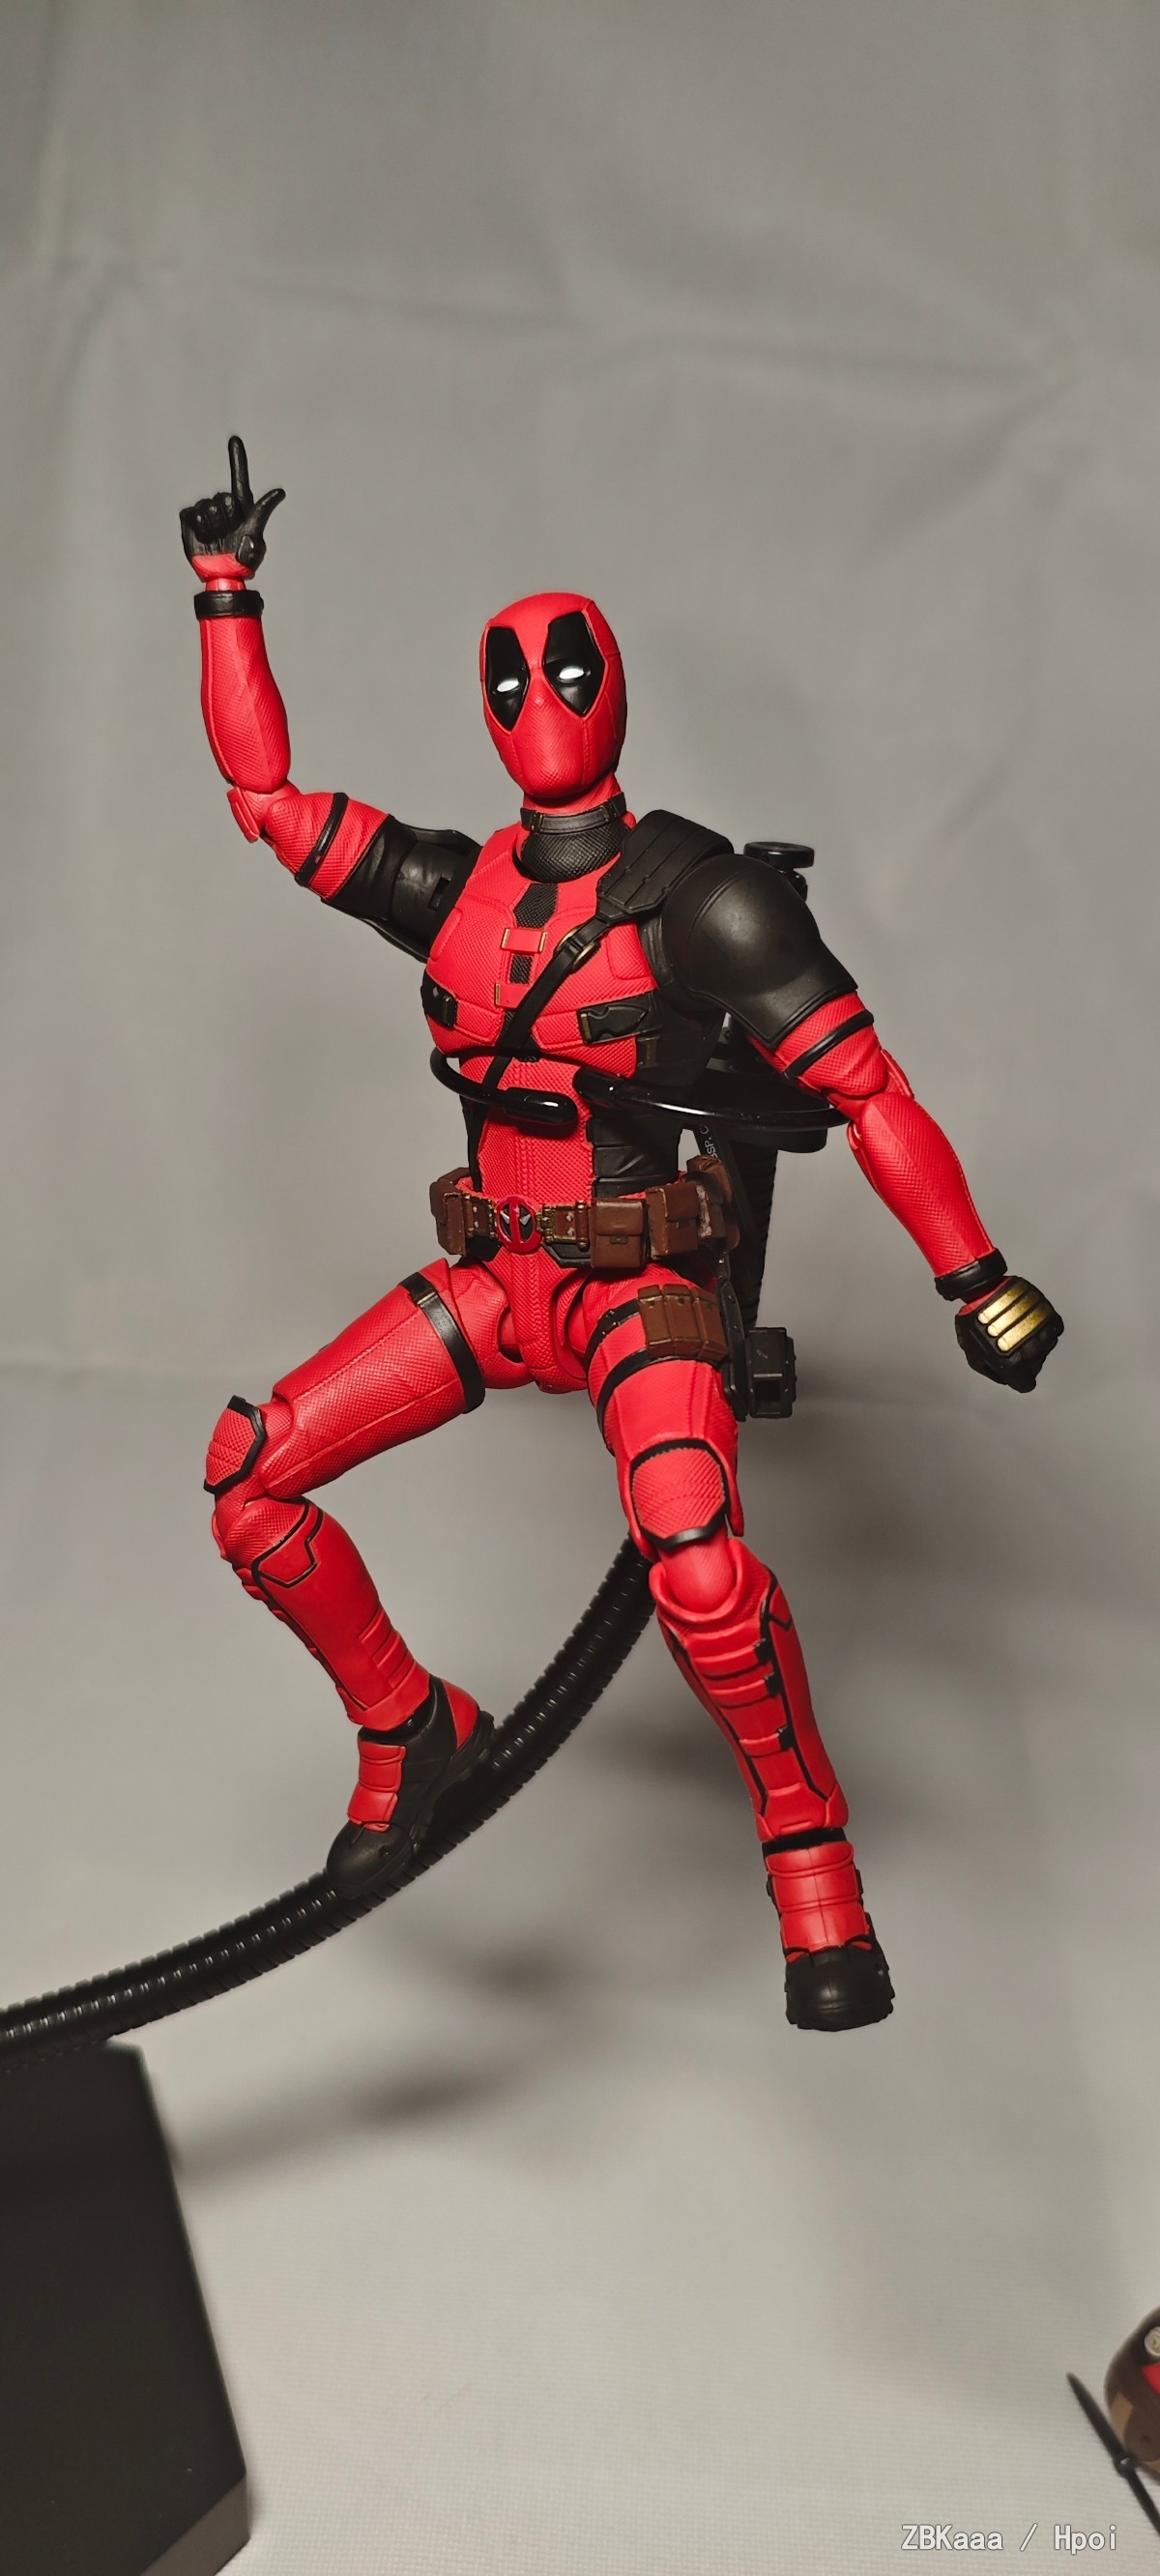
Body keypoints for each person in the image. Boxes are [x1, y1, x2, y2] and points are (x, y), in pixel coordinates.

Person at [182, 438, 1061, 2034]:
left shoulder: (698, 900)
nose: (543, 697)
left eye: (568, 666)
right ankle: (408, 1724)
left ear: (616, 688)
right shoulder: (447, 890)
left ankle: (809, 1850)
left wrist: (976, 1279)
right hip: (489, 1283)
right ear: (486, 706)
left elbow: (865, 1088)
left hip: (634, 1286)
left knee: (700, 1571)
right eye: (512, 675)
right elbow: (267, 802)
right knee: (251, 1478)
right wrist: (226, 593)